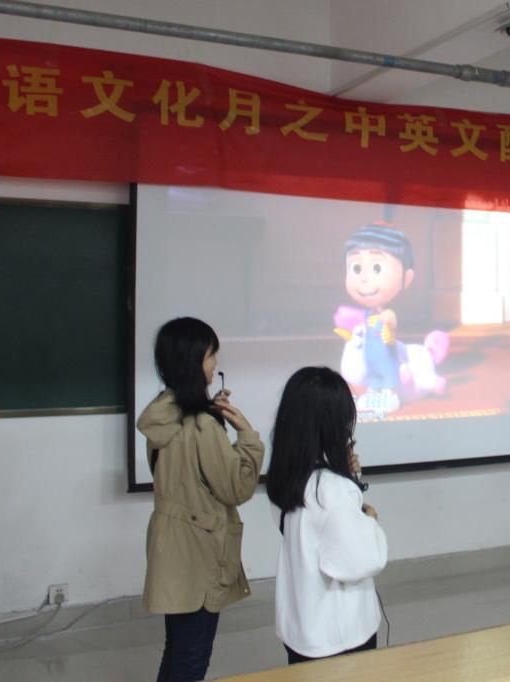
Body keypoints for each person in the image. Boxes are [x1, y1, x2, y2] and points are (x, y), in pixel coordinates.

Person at [137, 317, 264, 682]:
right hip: (199, 552)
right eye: (211, 356)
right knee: (191, 659)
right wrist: (246, 436)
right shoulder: (202, 426)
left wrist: (209, 415)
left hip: (171, 547)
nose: (215, 364)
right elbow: (235, 488)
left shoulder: (163, 414)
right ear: (193, 361)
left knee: (178, 650)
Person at [266, 366, 387, 664]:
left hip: (303, 628)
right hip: (339, 636)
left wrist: (343, 472)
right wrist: (370, 519)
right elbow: (360, 559)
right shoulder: (332, 490)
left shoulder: (289, 477)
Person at [342, 223, 415, 414]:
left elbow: (391, 323)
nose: (364, 278)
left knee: (386, 372)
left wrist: (388, 322)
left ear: (406, 279)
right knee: (373, 375)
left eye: (376, 267)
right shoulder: (366, 314)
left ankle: (389, 393)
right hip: (371, 358)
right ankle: (374, 391)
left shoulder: (388, 314)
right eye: (356, 268)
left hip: (387, 358)